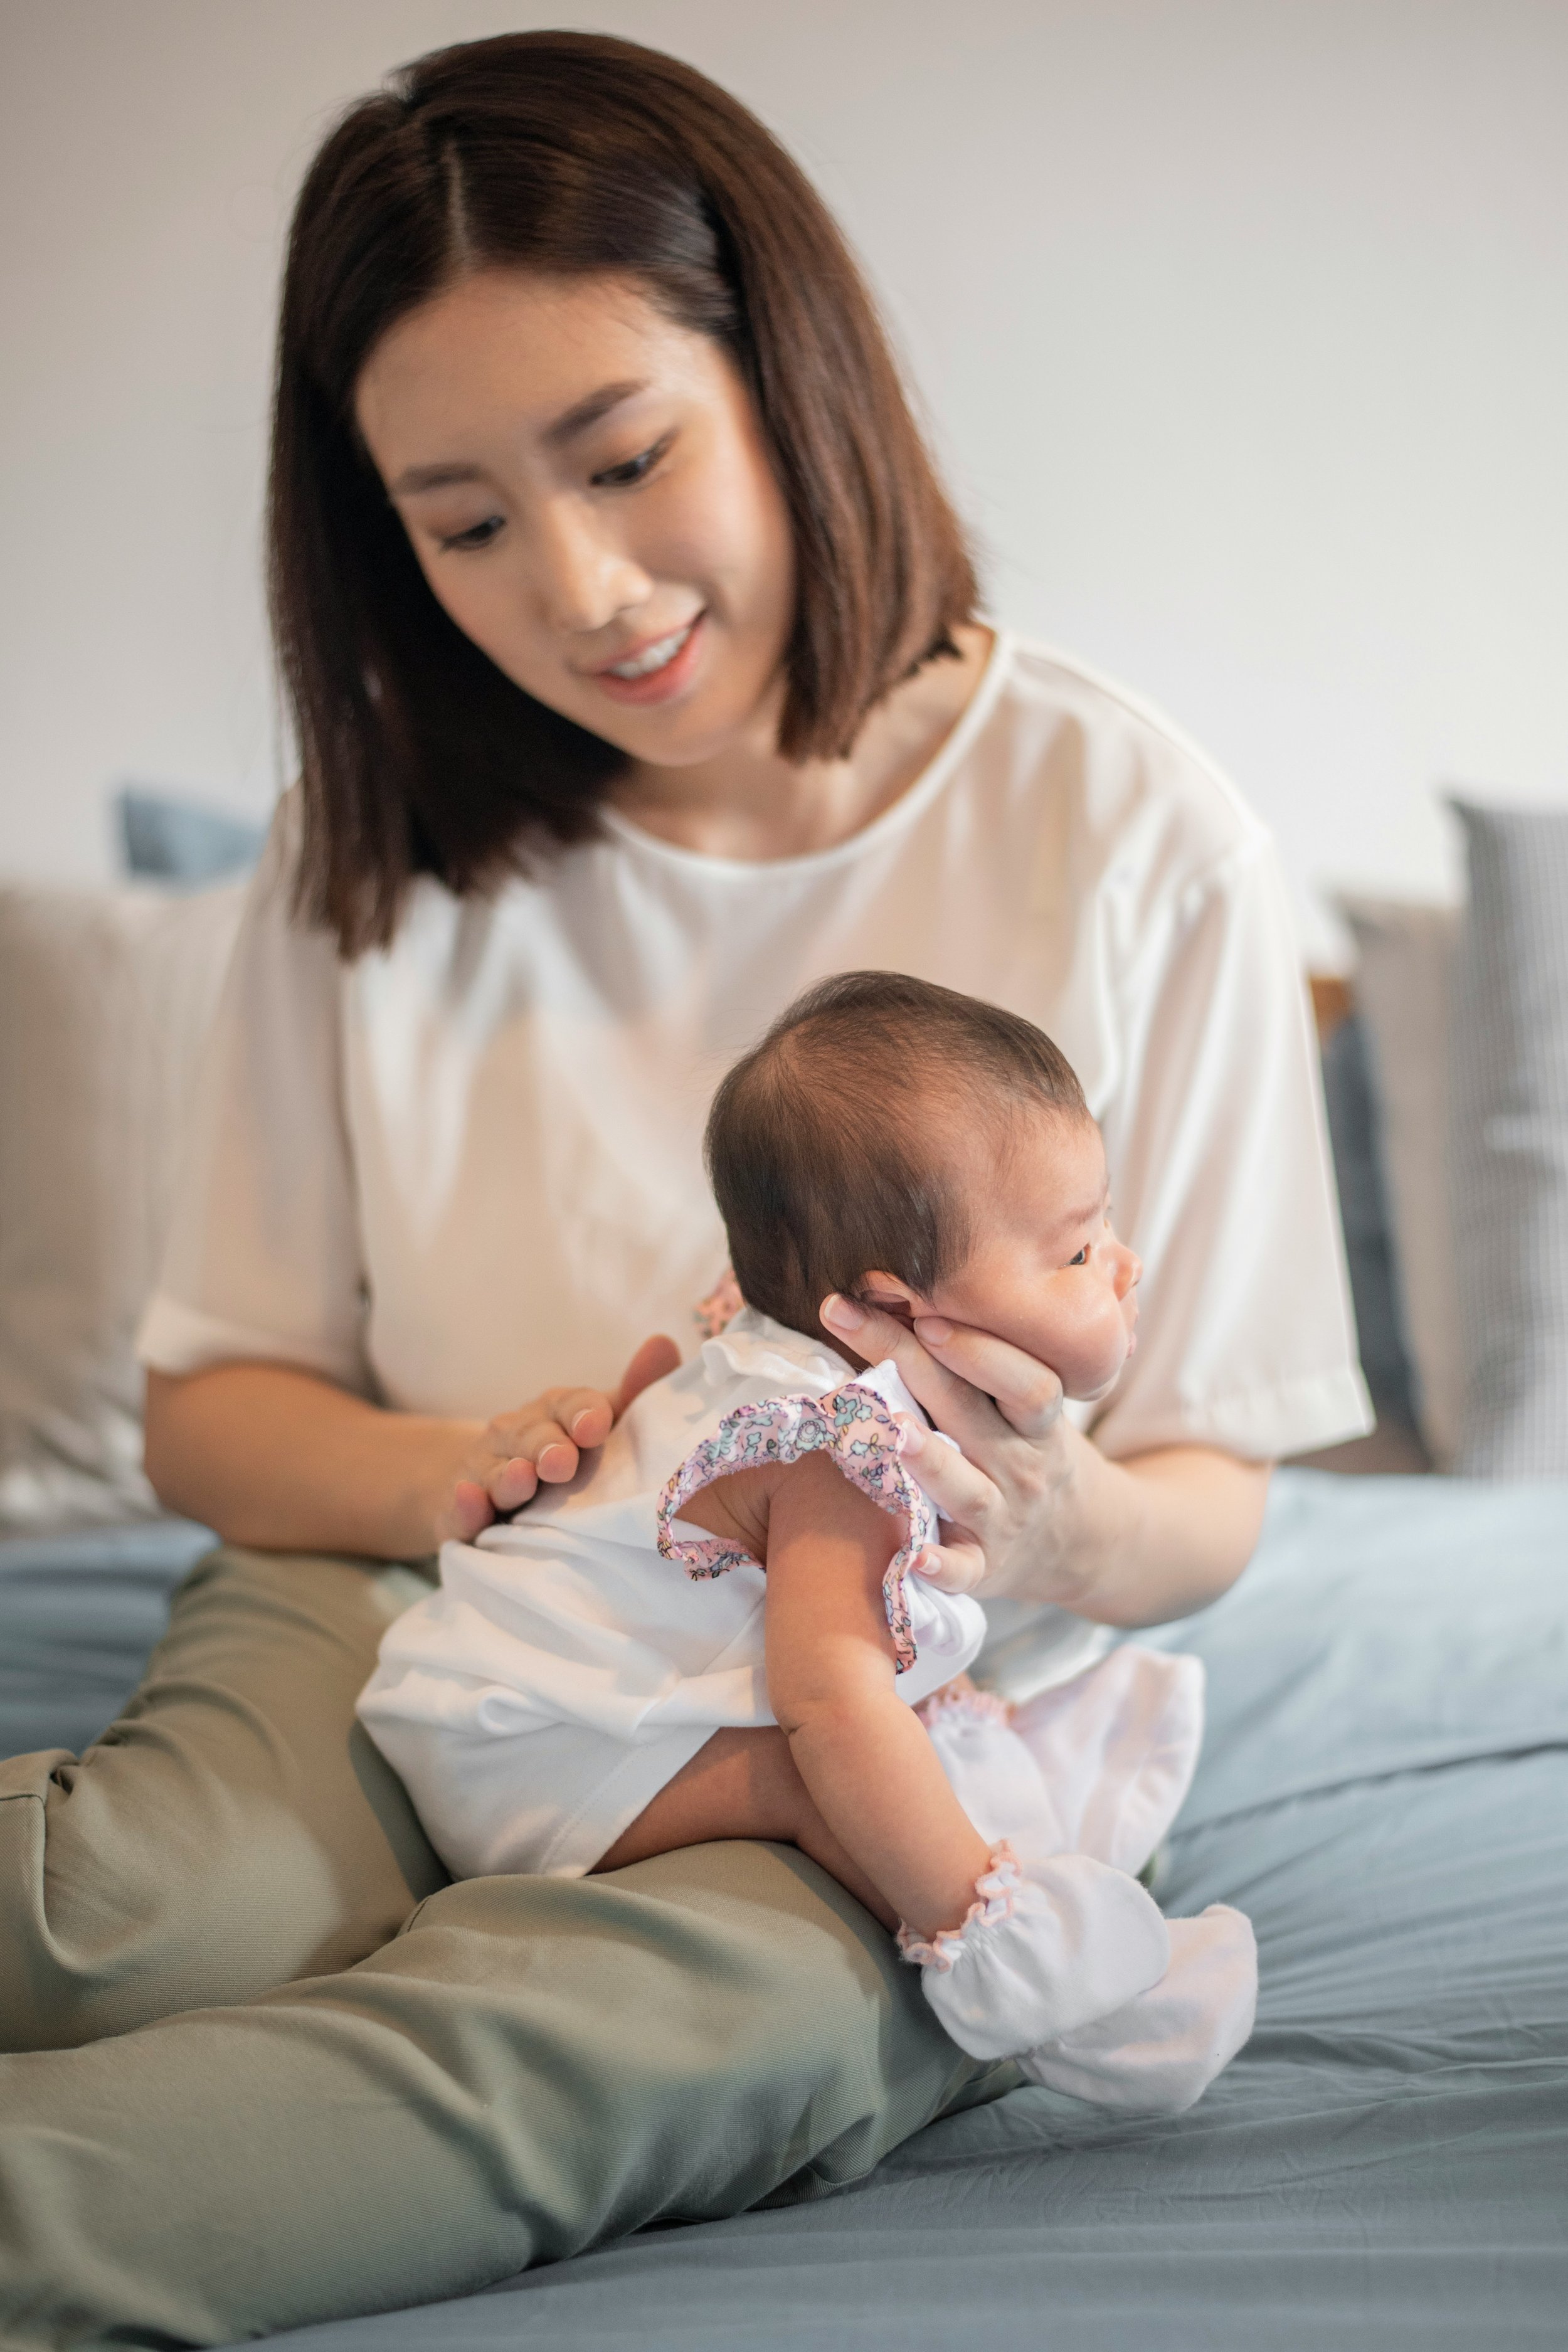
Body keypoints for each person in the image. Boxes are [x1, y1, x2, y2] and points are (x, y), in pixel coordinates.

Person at [0, 28, 1366, 2349]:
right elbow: (214, 1413)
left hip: (878, 1709)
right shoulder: (373, 861)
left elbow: (1218, 1475)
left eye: (626, 458)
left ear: (789, 375)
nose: (586, 586)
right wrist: (469, 1465)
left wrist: (1057, 1540)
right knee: (146, 1914)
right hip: (408, 1587)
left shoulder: (1133, 832)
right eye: (463, 524)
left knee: (630, 2035)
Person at [358, 971, 1259, 2117]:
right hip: (528, 1742)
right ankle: (1020, 1970)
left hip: (483, 1681)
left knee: (899, 1706)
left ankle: (1009, 1819)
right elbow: (830, 1702)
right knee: (832, 1764)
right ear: (904, 1306)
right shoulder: (840, 1449)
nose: (1122, 1264)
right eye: (1078, 1253)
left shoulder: (784, 1336)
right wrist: (963, 1907)